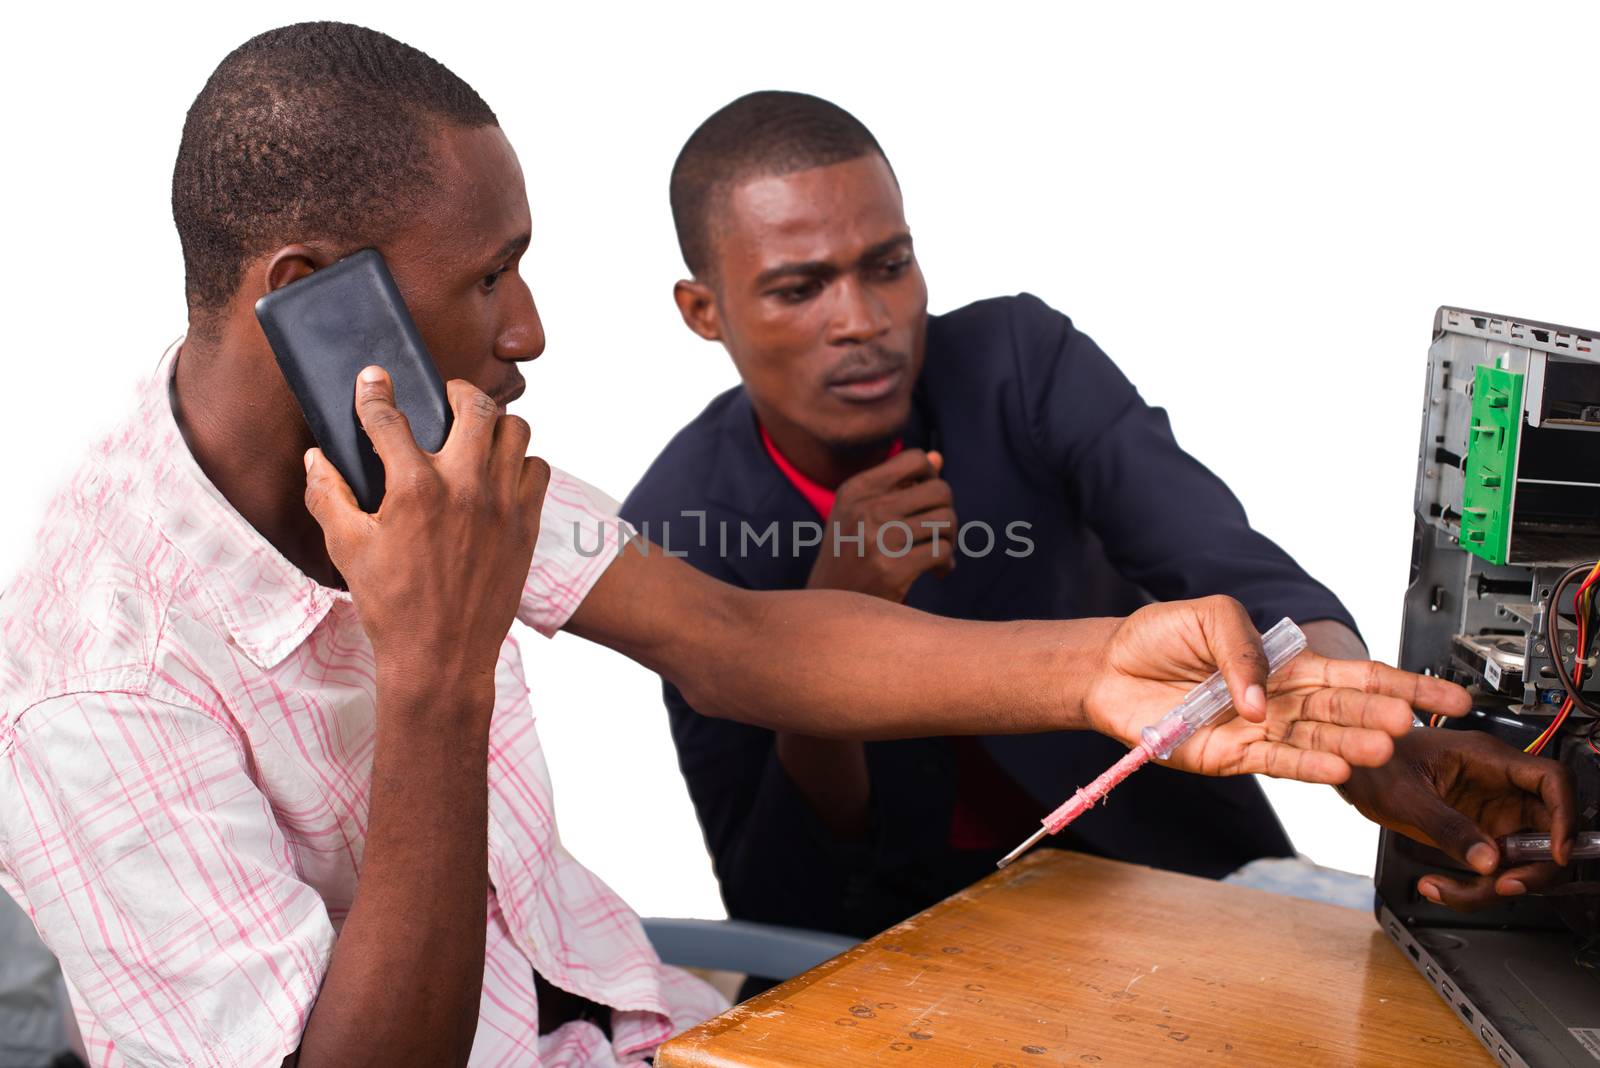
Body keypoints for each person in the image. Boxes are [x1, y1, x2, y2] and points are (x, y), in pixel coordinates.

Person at [0, 22, 1481, 1068]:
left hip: (676, 1026)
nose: (528, 333)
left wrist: (1102, 667)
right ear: (314, 296)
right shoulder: (93, 677)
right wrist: (433, 673)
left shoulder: (422, 451)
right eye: (492, 278)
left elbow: (737, 635)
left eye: (886, 265)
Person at [620, 90, 1578, 939]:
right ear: (703, 311)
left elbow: (1224, 563)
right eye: (800, 287)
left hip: (1175, 891)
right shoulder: (678, 528)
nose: (862, 318)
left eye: (889, 265)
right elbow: (773, 894)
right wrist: (824, 625)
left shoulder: (1016, 363)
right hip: (893, 960)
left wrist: (1365, 730)